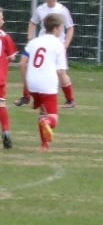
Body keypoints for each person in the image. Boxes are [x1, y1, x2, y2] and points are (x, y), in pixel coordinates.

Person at [15, 0, 76, 108]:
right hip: (43, 43)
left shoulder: (62, 10)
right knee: (34, 69)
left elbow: (70, 28)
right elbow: (32, 23)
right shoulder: (40, 9)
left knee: (60, 72)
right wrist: (30, 40)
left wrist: (65, 45)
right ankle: (26, 96)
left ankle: (70, 100)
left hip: (56, 46)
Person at [22, 14, 67, 151]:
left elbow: (22, 64)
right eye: (61, 28)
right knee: (52, 118)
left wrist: (26, 85)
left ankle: (44, 145)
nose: (61, 30)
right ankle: (46, 123)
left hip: (32, 83)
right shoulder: (58, 45)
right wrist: (69, 96)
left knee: (43, 111)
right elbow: (60, 72)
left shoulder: (33, 42)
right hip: (47, 83)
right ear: (55, 29)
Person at [0, 8, 19, 149]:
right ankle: (5, 131)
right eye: (1, 18)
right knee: (1, 105)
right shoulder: (4, 36)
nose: (3, 21)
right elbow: (12, 56)